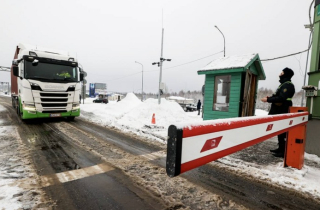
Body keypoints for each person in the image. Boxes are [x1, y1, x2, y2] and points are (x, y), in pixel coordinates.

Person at [261, 67, 295, 158]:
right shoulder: (283, 84)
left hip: (283, 109)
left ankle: (283, 151)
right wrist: (271, 97)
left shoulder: (287, 85)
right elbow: (279, 96)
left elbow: (282, 98)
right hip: (280, 109)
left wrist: (268, 100)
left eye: (282, 72)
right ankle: (280, 148)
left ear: (285, 74)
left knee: (283, 130)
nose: (280, 74)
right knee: (280, 130)